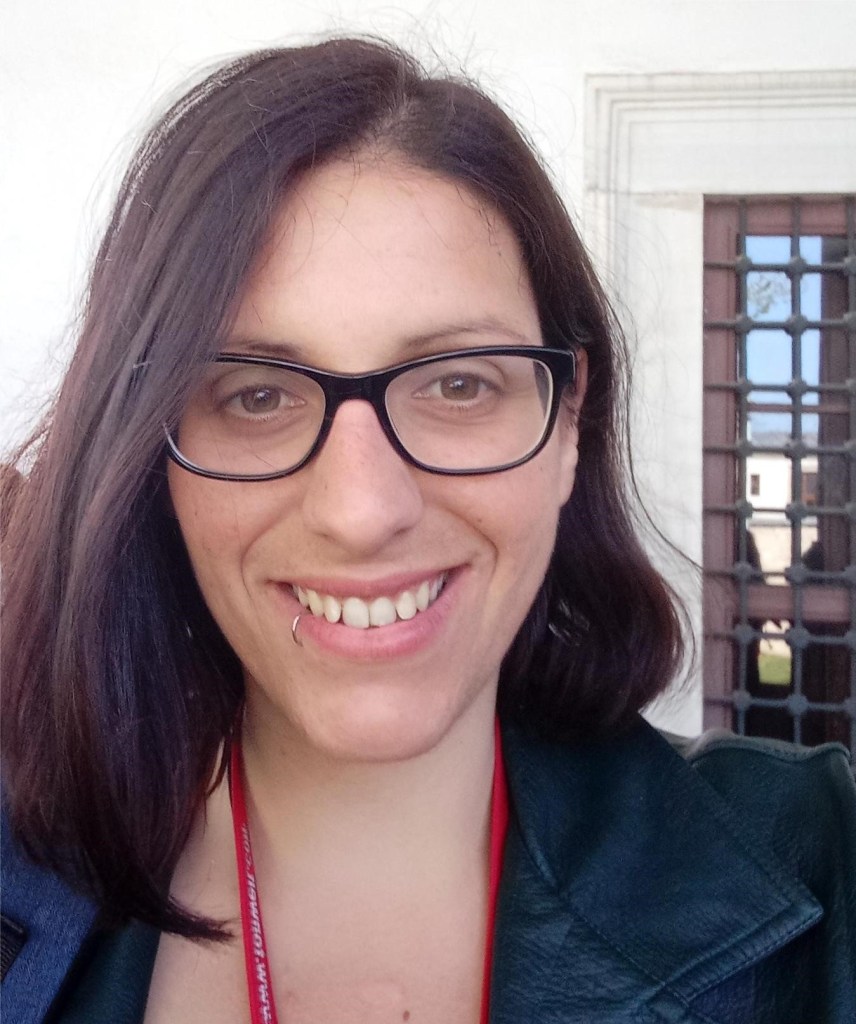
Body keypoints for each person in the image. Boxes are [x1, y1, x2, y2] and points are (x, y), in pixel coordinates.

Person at [1, 37, 853, 1024]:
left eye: (457, 385)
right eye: (257, 394)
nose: (362, 511)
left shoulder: (820, 867)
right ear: (153, 451)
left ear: (569, 423)